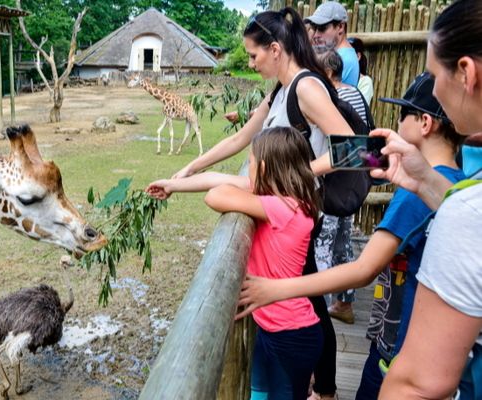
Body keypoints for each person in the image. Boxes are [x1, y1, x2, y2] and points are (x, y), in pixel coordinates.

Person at [233, 72, 465, 399]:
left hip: (401, 349)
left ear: (425, 123)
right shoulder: (459, 178)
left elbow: (363, 269)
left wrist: (277, 289)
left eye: (402, 115)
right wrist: (298, 175)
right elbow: (359, 155)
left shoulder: (413, 195)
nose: (396, 125)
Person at [173, 8, 354, 399]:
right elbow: (241, 139)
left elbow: (356, 150)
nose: (251, 63)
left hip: (301, 211)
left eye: (254, 56)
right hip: (288, 204)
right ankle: (321, 386)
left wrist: (298, 177)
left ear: (275, 49)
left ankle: (323, 388)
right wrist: (190, 167)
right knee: (309, 299)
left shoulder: (307, 87)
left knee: (309, 301)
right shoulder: (279, 91)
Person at [147, 127, 323, 400]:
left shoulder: (284, 208)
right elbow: (216, 179)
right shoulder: (285, 199)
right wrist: (174, 185)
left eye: (250, 162)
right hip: (272, 328)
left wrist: (245, 185)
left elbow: (215, 195)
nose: (247, 169)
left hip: (291, 336)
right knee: (258, 395)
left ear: (263, 168)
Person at [365, 0, 482, 397]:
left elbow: (419, 382)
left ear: (465, 72)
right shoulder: (466, 185)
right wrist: (425, 182)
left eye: (434, 74)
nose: (433, 88)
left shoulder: (468, 212)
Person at [313, 47, 371, 325]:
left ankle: (319, 313)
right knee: (342, 244)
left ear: (326, 73)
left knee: (323, 249)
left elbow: (349, 149)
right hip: (350, 186)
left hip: (334, 186)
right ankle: (343, 303)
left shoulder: (335, 100)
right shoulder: (355, 93)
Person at [306, 1, 360, 87]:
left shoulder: (344, 59)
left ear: (340, 27)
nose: (316, 35)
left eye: (322, 28)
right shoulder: (339, 53)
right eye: (315, 28)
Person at [348, 37, 375, 105]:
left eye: (347, 53)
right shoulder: (337, 78)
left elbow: (359, 107)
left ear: (358, 56)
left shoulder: (365, 82)